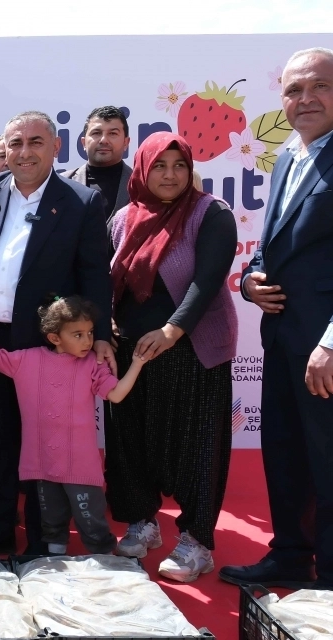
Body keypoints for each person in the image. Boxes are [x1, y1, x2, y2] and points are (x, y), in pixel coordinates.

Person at [0, 110, 114, 559]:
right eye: (15, 143)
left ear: (56, 147)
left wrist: (99, 336)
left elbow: (95, 274)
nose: (24, 152)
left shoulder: (82, 202)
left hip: (47, 346)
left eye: (35, 142)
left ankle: (43, 538)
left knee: (44, 444)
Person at [220, 47, 333, 591]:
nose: (305, 99)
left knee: (328, 460)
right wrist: (250, 280)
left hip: (325, 347)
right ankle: (290, 555)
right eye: (293, 90)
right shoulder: (290, 156)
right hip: (283, 337)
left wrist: (331, 343)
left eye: (319, 87)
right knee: (286, 453)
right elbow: (274, 243)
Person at [106, 131, 238, 583]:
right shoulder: (123, 218)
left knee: (196, 446)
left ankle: (196, 542)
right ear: (143, 169)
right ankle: (141, 521)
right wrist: (107, 329)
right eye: (159, 166)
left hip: (193, 349)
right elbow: (108, 281)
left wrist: (171, 331)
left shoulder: (211, 213)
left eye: (179, 165)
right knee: (130, 442)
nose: (169, 175)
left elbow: (207, 281)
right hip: (132, 351)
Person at [0, 296, 145, 555]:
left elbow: (116, 395)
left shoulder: (93, 364)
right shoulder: (28, 359)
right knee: (51, 522)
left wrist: (137, 364)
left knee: (91, 522)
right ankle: (52, 561)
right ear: (54, 338)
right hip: (43, 463)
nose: (87, 341)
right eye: (78, 334)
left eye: (90, 333)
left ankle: (105, 561)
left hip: (81, 464)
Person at [62, 106, 133, 228]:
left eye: (113, 133)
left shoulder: (142, 185)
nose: (104, 140)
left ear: (126, 142)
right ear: (83, 143)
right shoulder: (62, 183)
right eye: (96, 133)